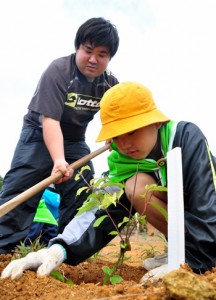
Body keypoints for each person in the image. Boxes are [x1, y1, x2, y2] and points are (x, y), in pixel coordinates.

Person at [2, 81, 216, 283]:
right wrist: (58, 249)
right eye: (116, 135)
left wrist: (194, 264)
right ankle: (181, 251)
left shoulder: (185, 137)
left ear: (156, 122)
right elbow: (101, 211)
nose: (124, 144)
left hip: (208, 226)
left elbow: (207, 204)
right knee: (135, 186)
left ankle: (194, 256)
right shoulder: (124, 162)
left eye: (131, 131)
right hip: (186, 230)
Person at [0, 17, 119, 254]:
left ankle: (65, 248)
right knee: (22, 190)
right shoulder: (60, 71)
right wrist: (58, 160)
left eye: (102, 54)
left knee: (83, 186)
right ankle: (4, 250)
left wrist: (116, 132)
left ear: (109, 57)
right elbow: (50, 121)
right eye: (88, 50)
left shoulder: (110, 85)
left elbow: (120, 113)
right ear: (78, 47)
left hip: (74, 141)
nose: (93, 59)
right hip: (37, 133)